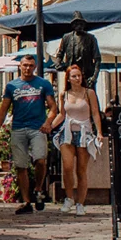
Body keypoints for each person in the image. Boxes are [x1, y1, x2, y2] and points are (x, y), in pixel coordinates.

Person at [0, 53, 58, 215]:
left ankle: (38, 189)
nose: (28, 68)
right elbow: (4, 108)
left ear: (34, 67)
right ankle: (26, 201)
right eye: (25, 65)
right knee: (20, 166)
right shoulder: (12, 86)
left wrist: (48, 122)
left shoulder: (43, 84)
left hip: (37, 128)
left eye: (30, 65)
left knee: (40, 160)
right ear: (20, 66)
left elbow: (53, 107)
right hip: (18, 128)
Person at [49, 61, 106, 215]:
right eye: (74, 76)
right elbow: (62, 114)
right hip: (68, 132)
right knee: (67, 167)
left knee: (81, 170)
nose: (77, 78)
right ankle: (69, 198)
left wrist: (99, 132)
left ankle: (81, 202)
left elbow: (95, 113)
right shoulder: (64, 94)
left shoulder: (89, 93)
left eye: (79, 76)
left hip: (84, 132)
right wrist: (49, 126)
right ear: (68, 78)